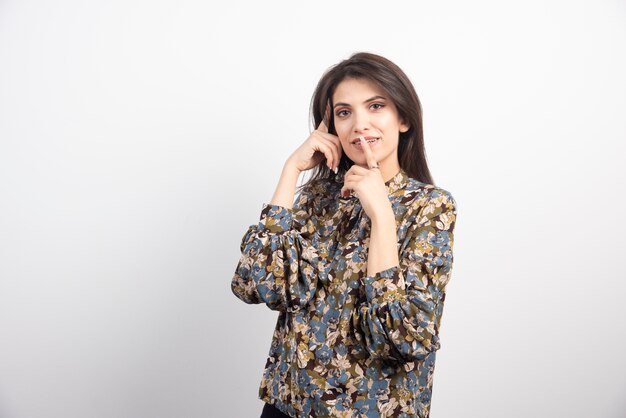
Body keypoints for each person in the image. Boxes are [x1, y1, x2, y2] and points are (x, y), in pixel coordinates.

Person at [231, 52, 458, 418]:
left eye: (376, 106)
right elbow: (256, 285)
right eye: (344, 112)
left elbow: (405, 336)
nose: (359, 124)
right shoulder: (315, 199)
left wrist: (382, 215)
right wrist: (292, 170)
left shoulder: (430, 206)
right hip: (287, 408)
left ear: (402, 118)